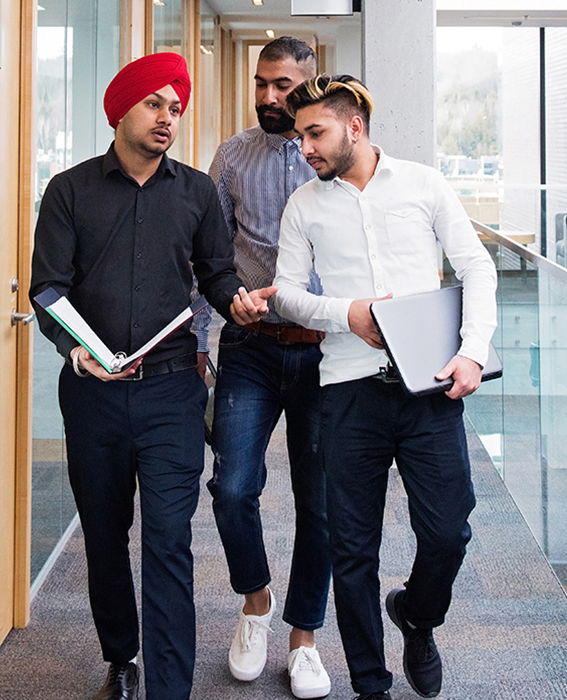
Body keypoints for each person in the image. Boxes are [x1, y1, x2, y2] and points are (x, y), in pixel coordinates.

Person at [29, 52, 274, 700]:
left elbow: (217, 273)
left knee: (169, 543)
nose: (168, 118)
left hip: (172, 392)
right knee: (106, 538)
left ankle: (170, 688)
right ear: (121, 109)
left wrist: (237, 302)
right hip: (92, 397)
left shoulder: (195, 191)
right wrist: (74, 349)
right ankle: (121, 657)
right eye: (154, 104)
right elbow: (48, 288)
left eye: (175, 108)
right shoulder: (69, 191)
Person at [272, 74, 497, 700]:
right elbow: (288, 293)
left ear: (355, 127)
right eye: (299, 137)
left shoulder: (423, 184)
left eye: (315, 133)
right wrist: (350, 314)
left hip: (428, 386)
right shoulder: (304, 205)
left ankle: (419, 616)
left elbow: (476, 266)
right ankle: (371, 686)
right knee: (351, 548)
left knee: (449, 529)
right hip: (347, 392)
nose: (306, 147)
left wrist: (472, 352)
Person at [196, 36, 332, 699]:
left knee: (321, 501)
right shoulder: (232, 155)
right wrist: (203, 330)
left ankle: (305, 638)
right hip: (249, 348)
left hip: (325, 353)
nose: (269, 97)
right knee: (230, 487)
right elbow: (209, 254)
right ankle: (256, 603)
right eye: (261, 84)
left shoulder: (330, 159)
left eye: (282, 85)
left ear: (310, 84)